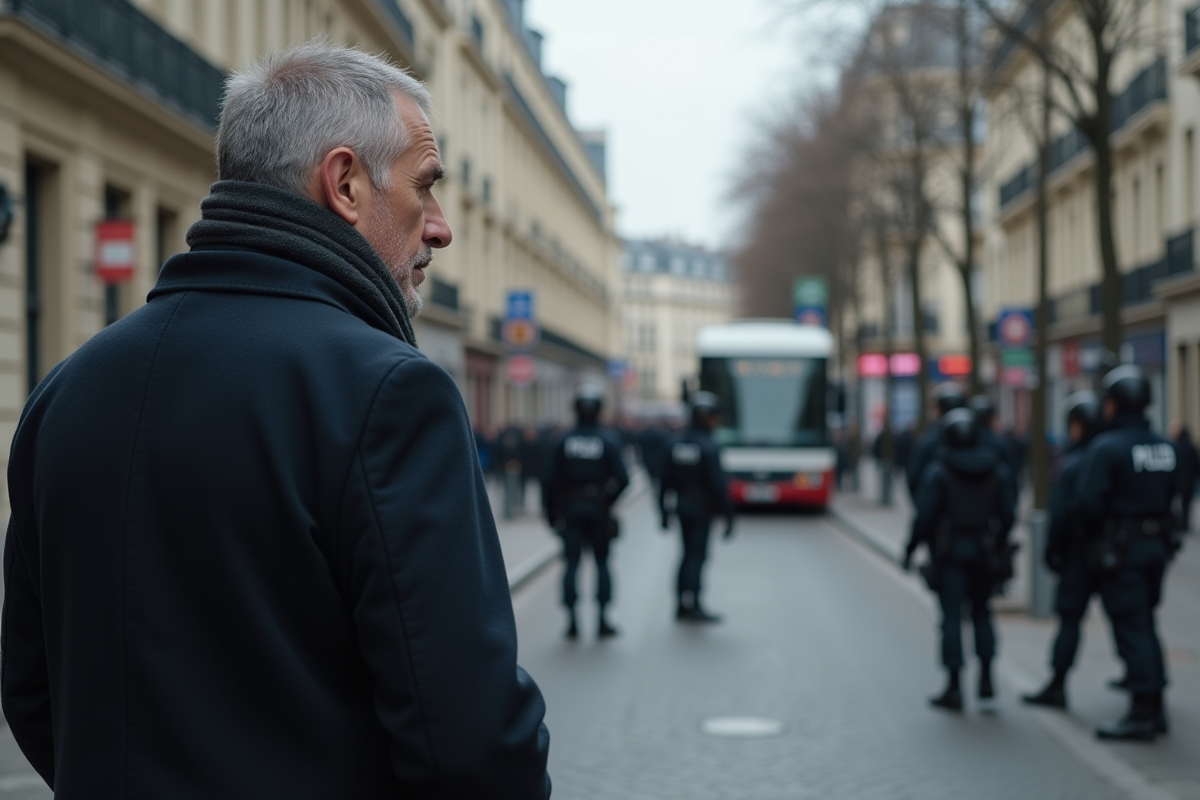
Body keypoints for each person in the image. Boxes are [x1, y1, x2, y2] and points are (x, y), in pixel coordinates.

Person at [1, 45, 552, 798]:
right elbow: (471, 740)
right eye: (425, 188)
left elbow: (33, 692)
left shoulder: (66, 390)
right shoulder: (389, 394)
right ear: (346, 183)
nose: (440, 227)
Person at [1076, 365, 1179, 741]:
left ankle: (1142, 712)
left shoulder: (1108, 448)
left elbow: (1088, 504)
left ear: (1115, 403)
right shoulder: (1165, 447)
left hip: (1122, 550)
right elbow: (1176, 495)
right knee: (1147, 623)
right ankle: (1157, 706)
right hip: (1157, 547)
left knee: (1132, 627)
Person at [904, 408, 1015, 712]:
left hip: (950, 552)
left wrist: (911, 549)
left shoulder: (939, 472)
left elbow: (924, 517)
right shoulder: (996, 469)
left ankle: (954, 685)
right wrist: (1001, 545)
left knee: (951, 618)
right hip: (984, 550)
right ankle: (987, 677)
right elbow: (1008, 513)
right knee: (982, 613)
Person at [1022, 392, 1104, 710]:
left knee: (1069, 620)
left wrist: (1053, 552)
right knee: (1133, 625)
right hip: (1116, 555)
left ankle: (1057, 683)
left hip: (1079, 556)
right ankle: (1148, 699)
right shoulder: (1110, 456)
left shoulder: (1072, 466)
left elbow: (1061, 515)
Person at [543, 385, 630, 640]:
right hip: (599, 511)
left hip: (570, 511)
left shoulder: (563, 440)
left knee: (571, 564)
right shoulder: (608, 440)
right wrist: (607, 500)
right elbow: (624, 479)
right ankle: (603, 619)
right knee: (602, 563)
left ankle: (571, 622)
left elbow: (549, 481)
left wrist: (551, 513)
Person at [659, 392, 736, 622]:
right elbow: (718, 485)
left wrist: (663, 511)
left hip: (682, 505)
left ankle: (680, 603)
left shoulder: (674, 443)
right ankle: (695, 604)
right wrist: (728, 515)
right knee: (697, 556)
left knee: (685, 554)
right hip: (702, 507)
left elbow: (663, 481)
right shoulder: (709, 446)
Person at [906, 383, 967, 499]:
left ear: (940, 409)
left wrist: (923, 506)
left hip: (936, 510)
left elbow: (913, 477)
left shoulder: (929, 440)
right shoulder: (980, 437)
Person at [1172, 425, 1199, 532]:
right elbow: (1196, 465)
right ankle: (1185, 523)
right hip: (1189, 481)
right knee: (1187, 504)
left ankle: (1180, 523)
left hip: (1179, 481)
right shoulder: (1191, 447)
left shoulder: (1175, 447)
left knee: (1177, 503)